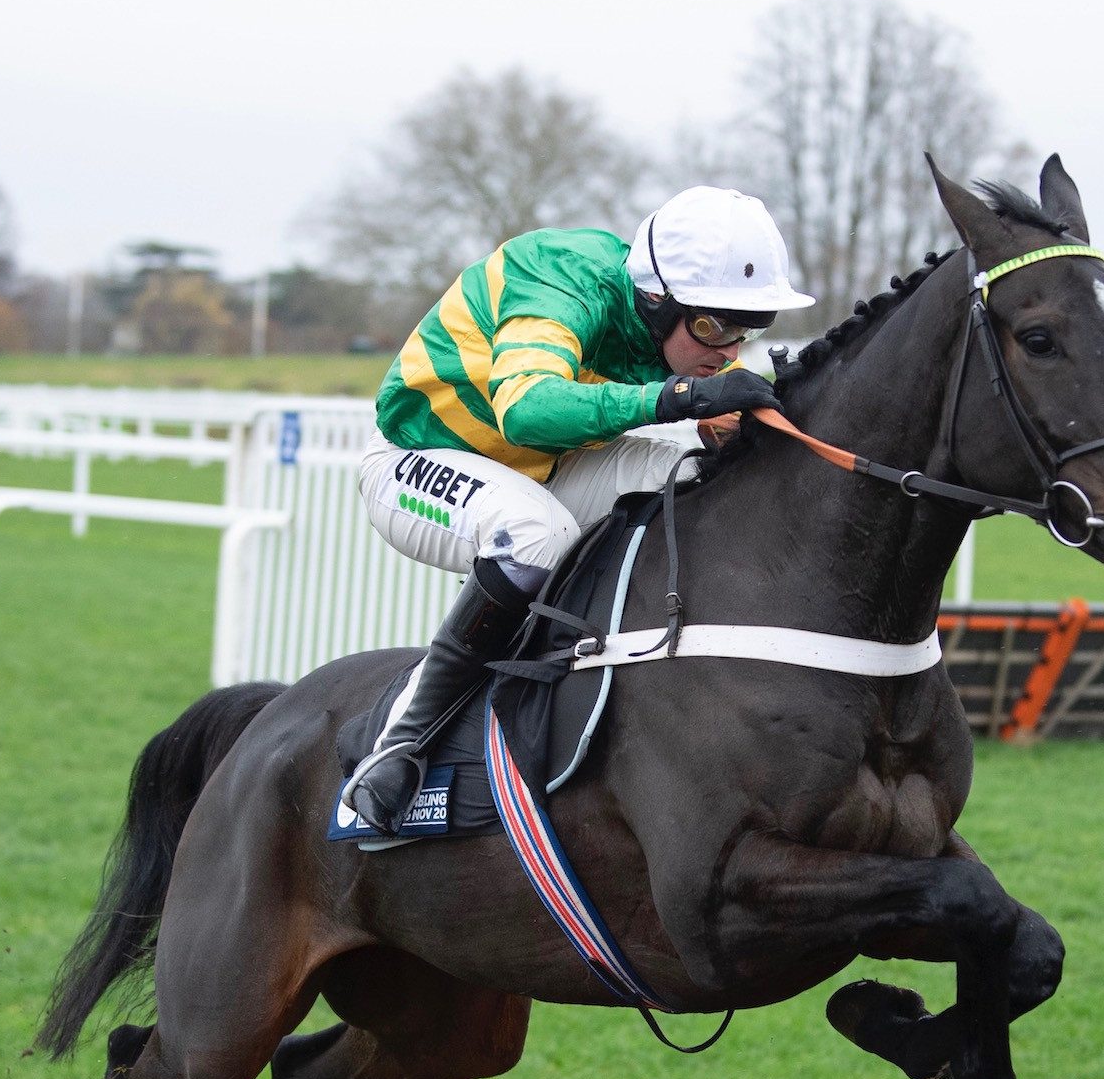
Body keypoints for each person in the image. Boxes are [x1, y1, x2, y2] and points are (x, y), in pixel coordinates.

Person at [342, 185, 817, 835]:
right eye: (713, 326)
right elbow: (528, 409)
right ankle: (399, 745)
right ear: (658, 301)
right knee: (536, 532)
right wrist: (679, 396)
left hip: (543, 467)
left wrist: (716, 422)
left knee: (699, 478)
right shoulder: (564, 275)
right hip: (416, 460)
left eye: (747, 329)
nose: (729, 349)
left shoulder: (667, 323)